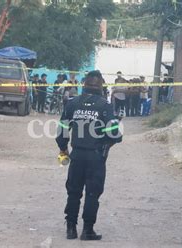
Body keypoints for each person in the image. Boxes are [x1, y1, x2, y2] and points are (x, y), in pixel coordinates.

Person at [56, 70, 122, 241]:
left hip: (76, 155)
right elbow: (115, 134)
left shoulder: (72, 103)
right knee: (92, 193)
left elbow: (62, 130)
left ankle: (70, 229)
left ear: (84, 84)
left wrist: (63, 150)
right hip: (96, 157)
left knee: (73, 192)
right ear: (100, 86)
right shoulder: (105, 106)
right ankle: (87, 230)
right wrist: (106, 147)